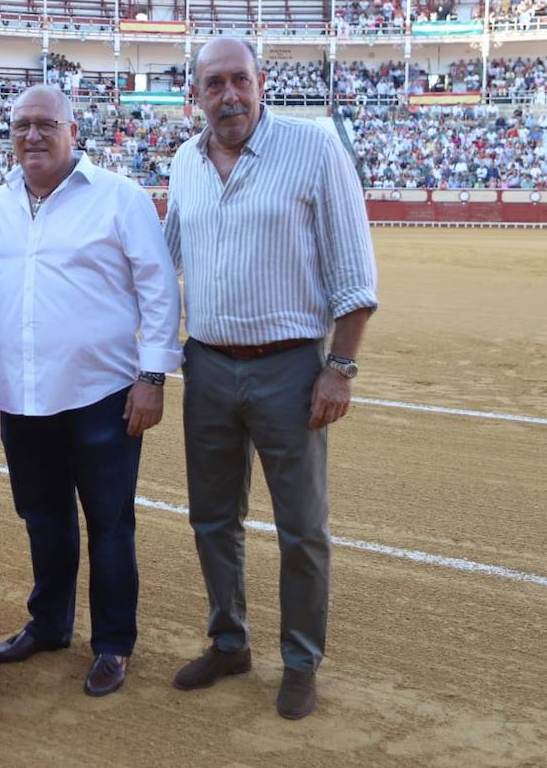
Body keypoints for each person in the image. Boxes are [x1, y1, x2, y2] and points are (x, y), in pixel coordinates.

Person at [163, 38, 378, 720]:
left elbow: (355, 274)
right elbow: (163, 266)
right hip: (208, 364)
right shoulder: (184, 162)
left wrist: (339, 367)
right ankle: (229, 640)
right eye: (213, 84)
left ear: (262, 83)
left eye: (239, 81)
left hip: (290, 366)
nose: (228, 95)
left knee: (302, 525)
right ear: (195, 94)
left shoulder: (313, 148)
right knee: (212, 516)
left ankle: (300, 658)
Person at [0, 85, 181, 697]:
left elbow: (159, 289)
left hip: (103, 392)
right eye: (21, 126)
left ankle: (114, 643)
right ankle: (49, 624)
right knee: (42, 518)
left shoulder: (119, 197)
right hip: (23, 394)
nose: (33, 136)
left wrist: (151, 377)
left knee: (110, 524)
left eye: (46, 124)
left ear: (74, 131)